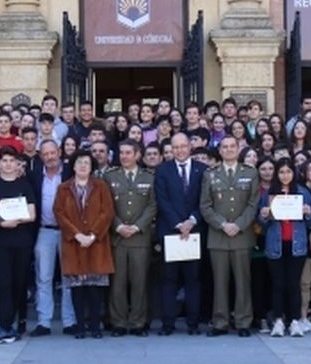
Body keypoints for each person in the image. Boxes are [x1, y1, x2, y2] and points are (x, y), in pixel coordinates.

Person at [200, 135, 259, 336]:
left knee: (243, 281)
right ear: (220, 150)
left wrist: (239, 225)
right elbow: (205, 205)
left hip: (242, 235)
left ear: (238, 148)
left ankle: (243, 322)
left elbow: (253, 204)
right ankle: (220, 322)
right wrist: (222, 224)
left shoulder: (250, 173)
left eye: (232, 146)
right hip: (218, 235)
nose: (229, 150)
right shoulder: (210, 174)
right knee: (219, 281)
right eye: (224, 147)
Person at [54, 150, 114, 339]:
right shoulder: (63, 188)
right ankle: (80, 326)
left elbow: (107, 212)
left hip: (96, 243)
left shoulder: (101, 186)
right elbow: (59, 213)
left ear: (91, 167)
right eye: (79, 162)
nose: (82, 166)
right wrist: (77, 234)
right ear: (73, 166)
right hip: (74, 243)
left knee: (95, 289)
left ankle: (95, 326)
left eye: (87, 163)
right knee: (78, 288)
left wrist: (93, 235)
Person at [0, 147, 37, 343]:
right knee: (2, 283)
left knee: (18, 283)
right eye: (4, 160)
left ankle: (14, 324)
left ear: (17, 163)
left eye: (11, 161)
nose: (8, 164)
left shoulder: (25, 185)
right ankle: (4, 326)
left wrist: (16, 221)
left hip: (21, 240)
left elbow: (32, 214)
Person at [154, 130, 207, 335]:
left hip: (194, 231)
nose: (179, 150)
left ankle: (193, 324)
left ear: (190, 147)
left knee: (193, 280)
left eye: (183, 146)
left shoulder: (202, 170)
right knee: (169, 280)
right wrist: (178, 223)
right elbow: (162, 200)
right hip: (171, 231)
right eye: (175, 147)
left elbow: (205, 200)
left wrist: (191, 221)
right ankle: (168, 324)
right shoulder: (162, 170)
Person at [260, 158, 311, 337]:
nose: (285, 175)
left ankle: (294, 321)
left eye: (288, 171)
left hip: (297, 244)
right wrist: (263, 215)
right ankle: (278, 320)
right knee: (278, 284)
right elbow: (261, 222)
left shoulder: (302, 192)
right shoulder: (270, 193)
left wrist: (308, 212)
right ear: (277, 175)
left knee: (294, 284)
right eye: (282, 172)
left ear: (294, 173)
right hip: (275, 244)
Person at [104, 140, 157, 336]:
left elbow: (152, 205)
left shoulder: (149, 177)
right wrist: (118, 226)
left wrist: (137, 226)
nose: (124, 156)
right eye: (121, 152)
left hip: (140, 238)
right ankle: (118, 322)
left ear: (137, 155)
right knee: (117, 283)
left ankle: (138, 322)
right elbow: (106, 205)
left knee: (139, 282)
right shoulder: (110, 177)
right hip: (117, 237)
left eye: (128, 153)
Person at [29, 139, 74, 336]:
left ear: (59, 152)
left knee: (68, 277)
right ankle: (44, 321)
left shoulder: (70, 173)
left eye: (52, 153)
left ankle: (70, 321)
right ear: (41, 157)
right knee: (43, 277)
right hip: (44, 230)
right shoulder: (35, 177)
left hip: (68, 231)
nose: (49, 157)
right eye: (45, 154)